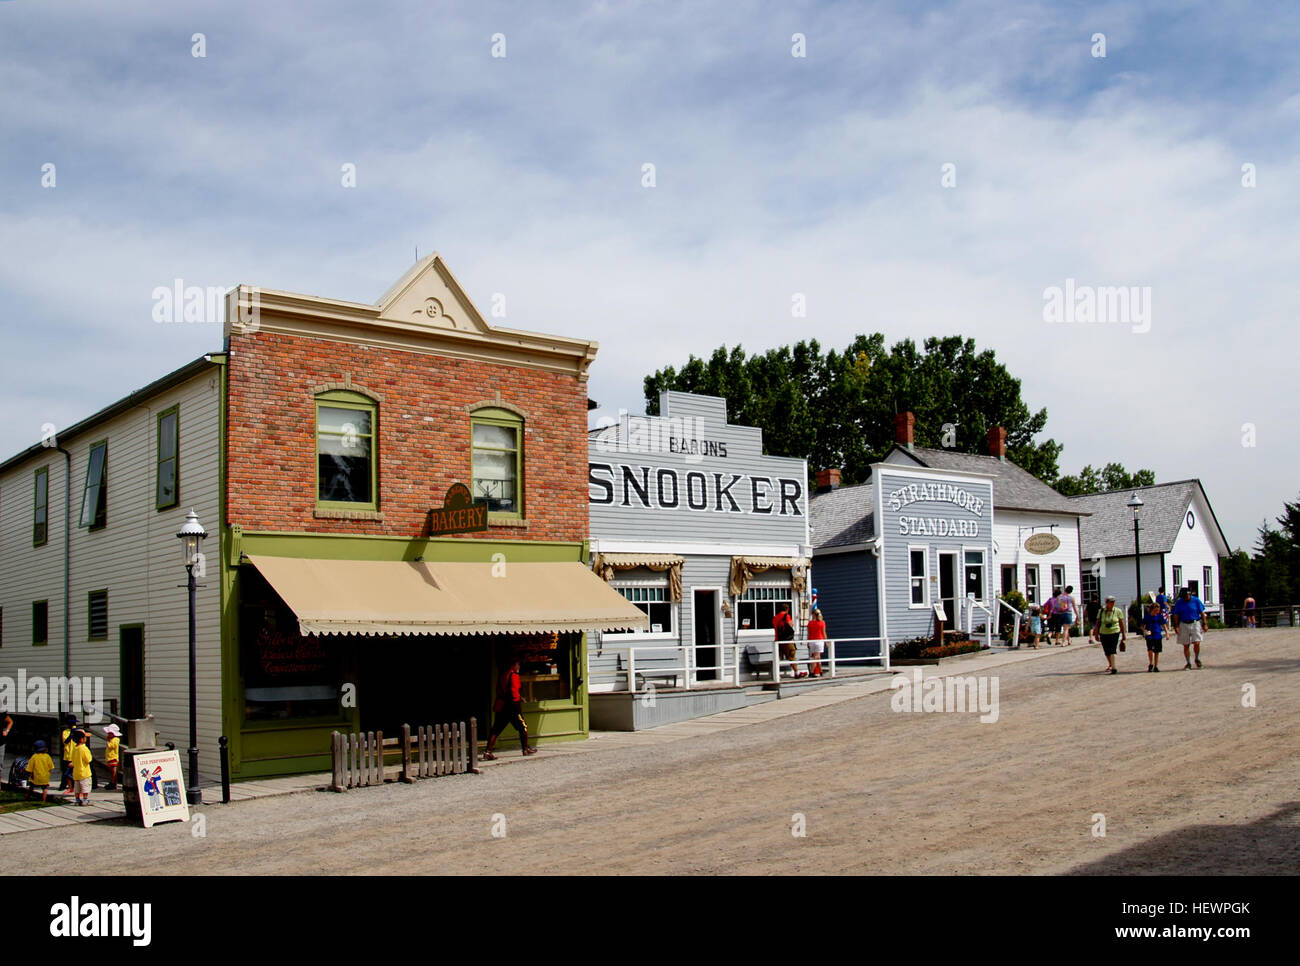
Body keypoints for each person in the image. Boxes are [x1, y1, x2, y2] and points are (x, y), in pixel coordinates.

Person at [483, 659, 535, 760]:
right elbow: (514, 693)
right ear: (513, 665)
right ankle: (525, 749)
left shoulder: (502, 675)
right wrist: (518, 707)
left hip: (501, 706)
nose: (519, 667)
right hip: (511, 707)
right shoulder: (514, 676)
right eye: (518, 664)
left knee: (496, 729)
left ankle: (487, 751)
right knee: (523, 727)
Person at [1173, 586, 1208, 669]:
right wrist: (1176, 626)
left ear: (1189, 594)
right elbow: (1176, 614)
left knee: (1196, 642)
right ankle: (1188, 662)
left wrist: (1205, 624)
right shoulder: (1179, 602)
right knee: (1186, 644)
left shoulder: (1196, 600)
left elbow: (1202, 613)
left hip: (1195, 622)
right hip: (1184, 623)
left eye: (1186, 596)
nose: (1185, 598)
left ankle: (1197, 658)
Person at [1091, 595, 1127, 674]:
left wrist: (1123, 634)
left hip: (1115, 631)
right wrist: (1096, 634)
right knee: (1106, 650)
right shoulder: (1102, 611)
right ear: (1107, 602)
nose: (1112, 603)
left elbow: (1121, 623)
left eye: (1113, 602)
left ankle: (1113, 667)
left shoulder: (1118, 611)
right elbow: (1097, 623)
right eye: (1110, 602)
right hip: (1104, 632)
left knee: (1112, 649)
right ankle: (1111, 663)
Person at [773, 604, 804, 678]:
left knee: (778, 658)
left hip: (778, 640)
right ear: (787, 609)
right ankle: (797, 673)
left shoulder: (775, 617)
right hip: (787, 640)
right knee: (791, 656)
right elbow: (791, 625)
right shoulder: (786, 616)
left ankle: (777, 674)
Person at [66, 730, 93, 806]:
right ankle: (85, 800)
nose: (86, 738)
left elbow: (73, 759)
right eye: (85, 737)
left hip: (76, 772)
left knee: (77, 788)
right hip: (84, 772)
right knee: (85, 787)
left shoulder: (74, 749)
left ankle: (77, 800)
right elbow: (88, 759)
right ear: (82, 739)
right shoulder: (84, 749)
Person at [1141, 601, 1167, 672]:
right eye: (1155, 610)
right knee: (1150, 650)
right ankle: (1151, 663)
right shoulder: (1147, 617)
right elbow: (1142, 626)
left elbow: (1164, 625)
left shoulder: (1159, 616)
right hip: (1150, 636)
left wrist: (1167, 633)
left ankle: (1156, 665)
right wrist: (1145, 631)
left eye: (1158, 610)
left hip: (1158, 635)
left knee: (1157, 651)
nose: (1157, 612)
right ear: (1152, 609)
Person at [807, 608, 827, 676]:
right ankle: (812, 672)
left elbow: (809, 633)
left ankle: (820, 671)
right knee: (816, 656)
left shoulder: (810, 623)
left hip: (812, 641)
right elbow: (824, 633)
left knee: (817, 656)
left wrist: (808, 642)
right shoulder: (822, 622)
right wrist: (826, 641)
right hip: (819, 640)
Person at [103, 723, 122, 790]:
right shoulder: (113, 740)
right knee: (111, 771)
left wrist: (108, 741)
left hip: (113, 758)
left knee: (113, 771)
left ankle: (113, 783)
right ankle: (112, 782)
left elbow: (111, 746)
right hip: (110, 757)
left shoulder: (116, 740)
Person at [0, 701, 12, 783]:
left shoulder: (2, 714)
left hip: (0, 742)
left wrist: (6, 731)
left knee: (0, 765)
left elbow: (10, 722)